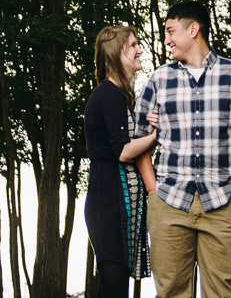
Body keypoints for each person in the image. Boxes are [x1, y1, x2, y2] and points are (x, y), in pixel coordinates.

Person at [136, 0, 231, 298]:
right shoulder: (159, 79)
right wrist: (152, 189)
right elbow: (139, 137)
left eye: (171, 31)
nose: (166, 39)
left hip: (223, 203)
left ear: (193, 29)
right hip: (168, 202)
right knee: (171, 292)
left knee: (222, 293)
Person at [85, 25, 159, 298]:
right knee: (115, 291)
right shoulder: (109, 94)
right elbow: (123, 151)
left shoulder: (119, 96)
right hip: (108, 201)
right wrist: (155, 136)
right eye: (133, 45)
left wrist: (149, 126)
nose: (140, 49)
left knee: (113, 291)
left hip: (116, 201)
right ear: (117, 54)